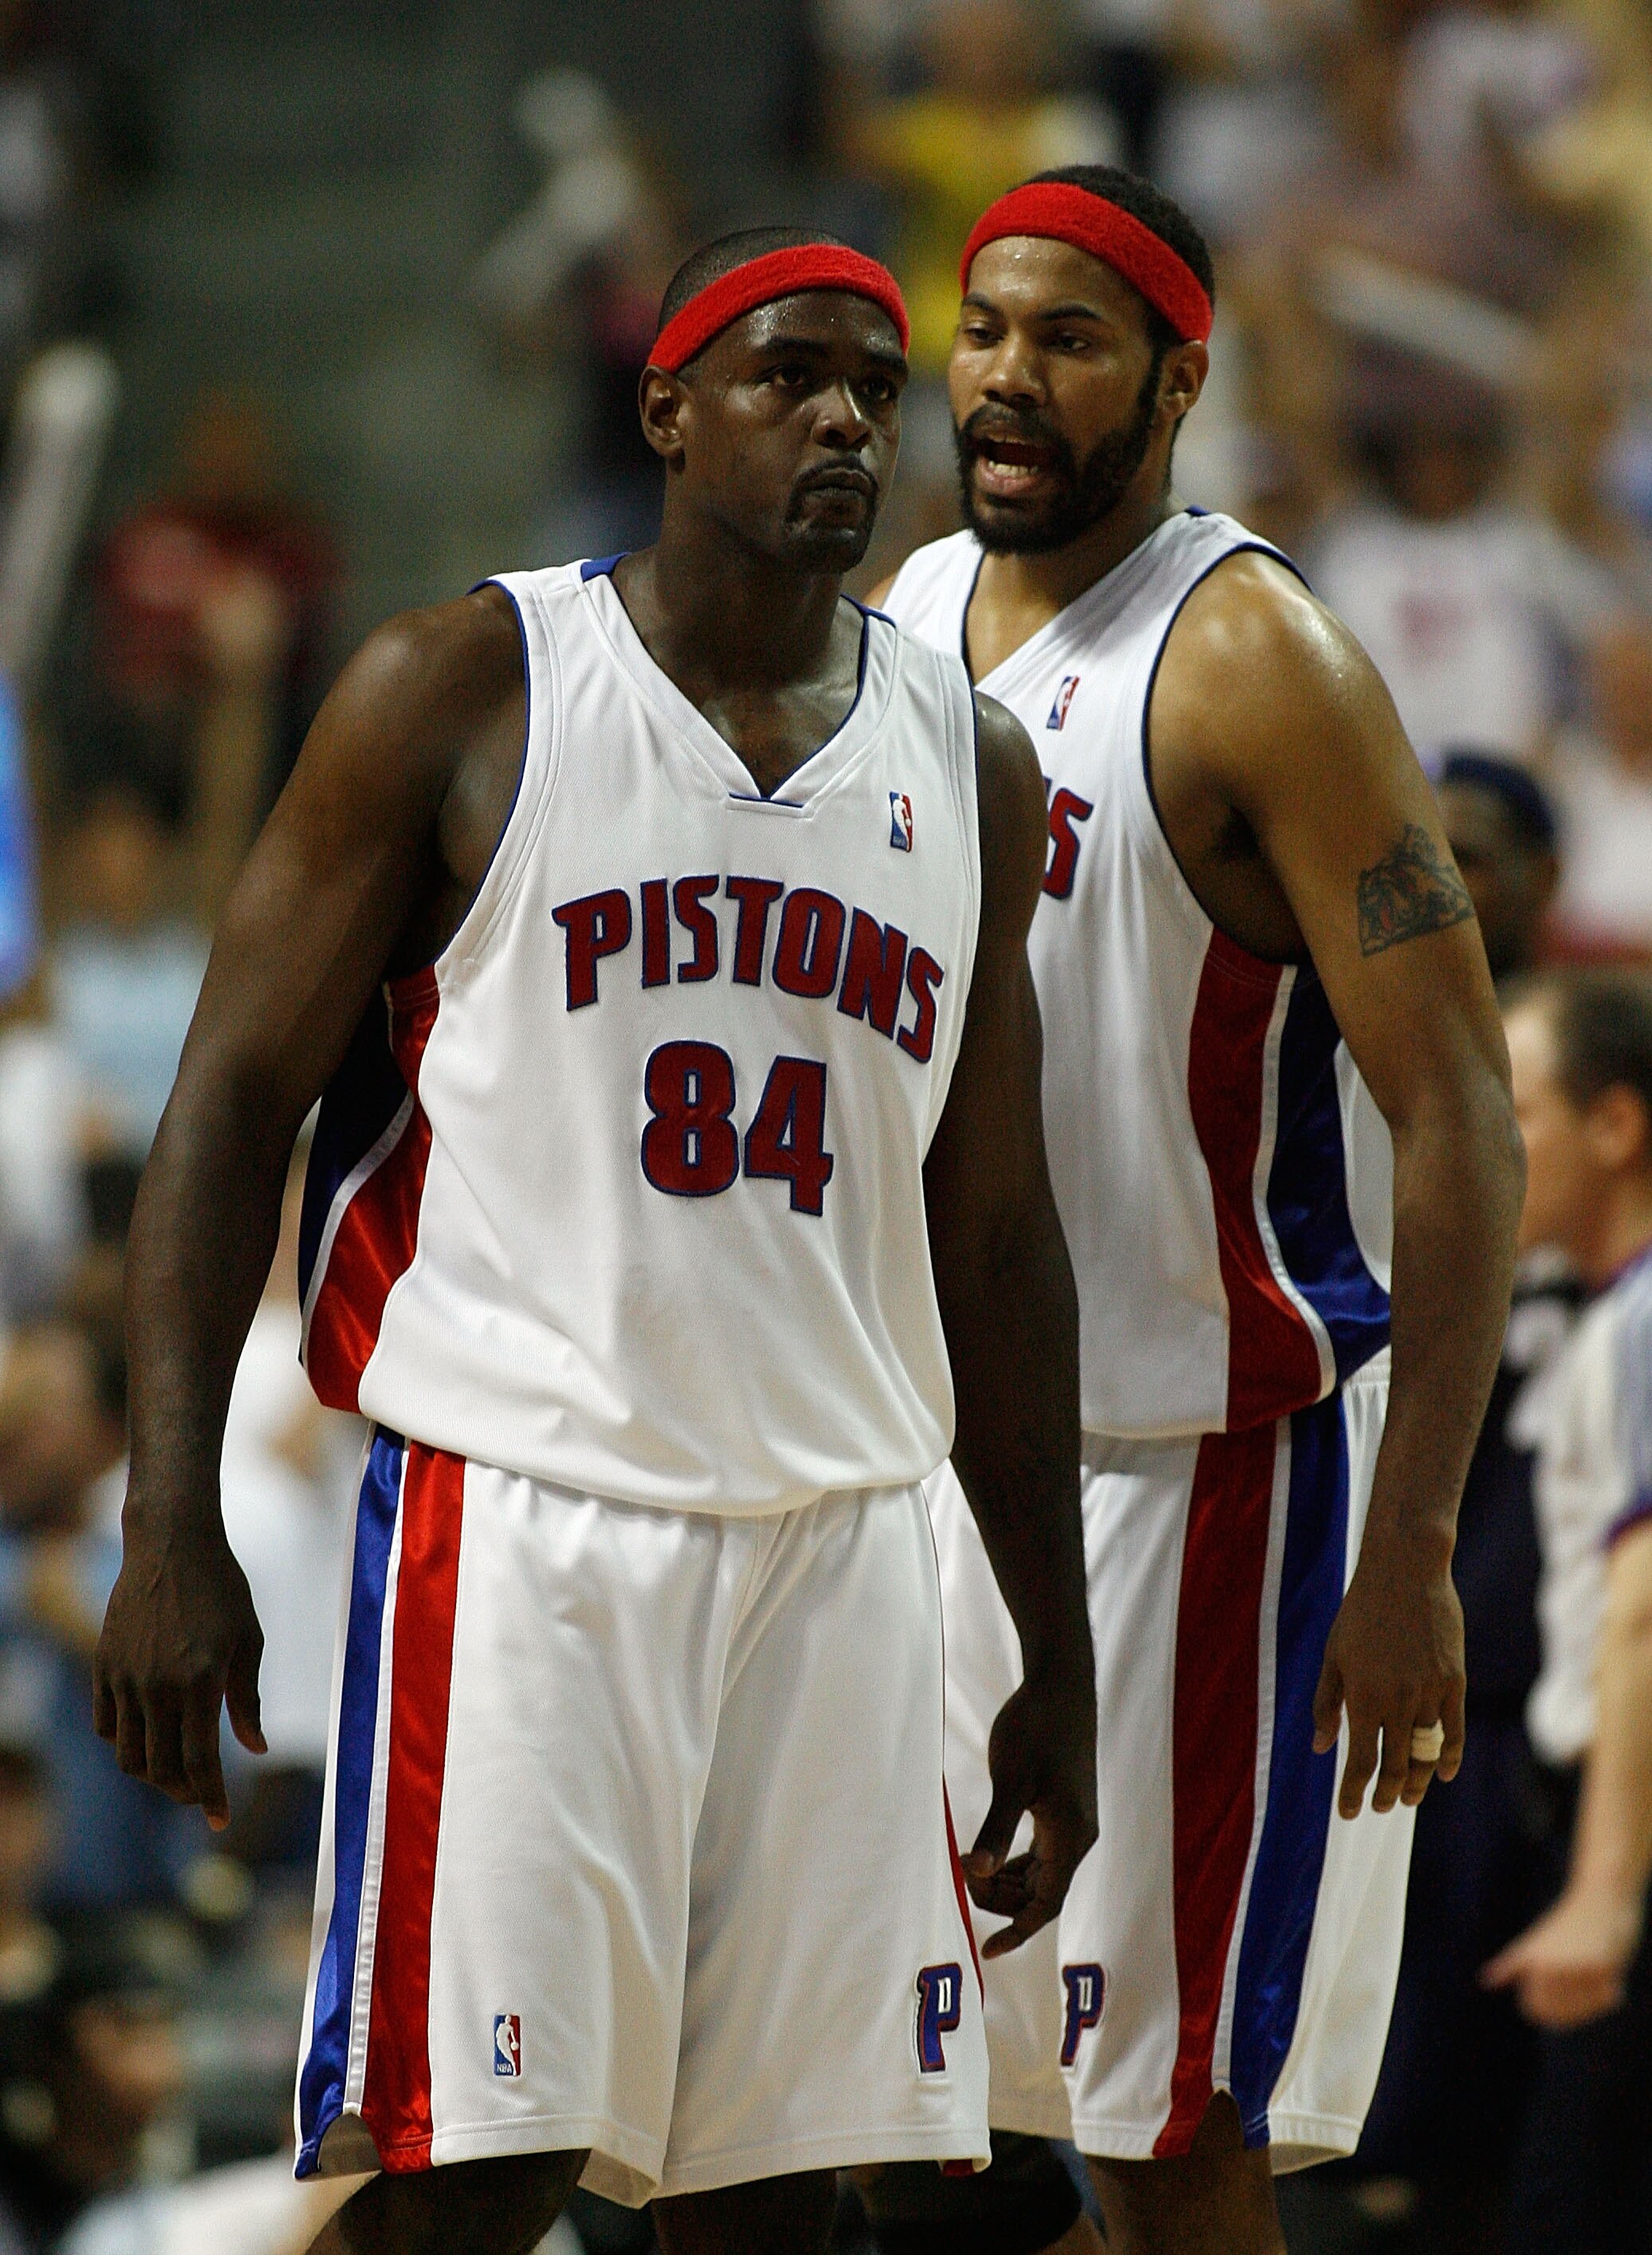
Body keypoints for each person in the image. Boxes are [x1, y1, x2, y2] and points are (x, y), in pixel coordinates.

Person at [91, 227, 1099, 2255]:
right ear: (664, 409)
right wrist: (168, 1516)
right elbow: (223, 1107)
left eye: (874, 388)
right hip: (527, 1529)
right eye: (788, 377)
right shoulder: (463, 685)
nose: (844, 421)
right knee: (472, 2180)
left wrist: (1049, 1652)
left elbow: (994, 1234)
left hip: (843, 1550)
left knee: (781, 2206)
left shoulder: (968, 754)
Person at [869, 164, 1523, 2255]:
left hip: (1209, 1482)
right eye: (986, 328)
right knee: (882, 2115)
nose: (1007, 376)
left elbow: (1464, 1110)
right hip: (940, 1471)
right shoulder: (901, 617)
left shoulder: (1259, 662)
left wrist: (1410, 1544)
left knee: (1170, 2144)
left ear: (1176, 380)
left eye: (1069, 339)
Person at [1481, 970, 1652, 2250]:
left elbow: (1643, 1609)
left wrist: (1603, 1891)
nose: (1491, 1140)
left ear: (1615, 1124)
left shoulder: (1642, 1320)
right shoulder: (1611, 1314)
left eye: (1518, 1109)